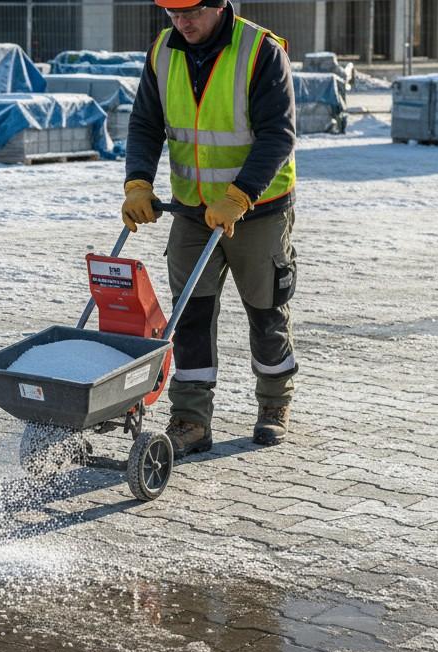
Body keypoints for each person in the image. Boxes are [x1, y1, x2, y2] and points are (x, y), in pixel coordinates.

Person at [121, 0, 298, 459]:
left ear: (218, 5)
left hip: (258, 208)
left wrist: (240, 195)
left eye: (192, 12)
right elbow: (145, 123)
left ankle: (274, 404)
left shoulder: (259, 51)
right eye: (173, 13)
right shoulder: (163, 51)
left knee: (265, 311)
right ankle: (192, 420)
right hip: (192, 210)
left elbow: (279, 133)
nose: (183, 22)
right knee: (190, 316)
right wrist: (138, 182)